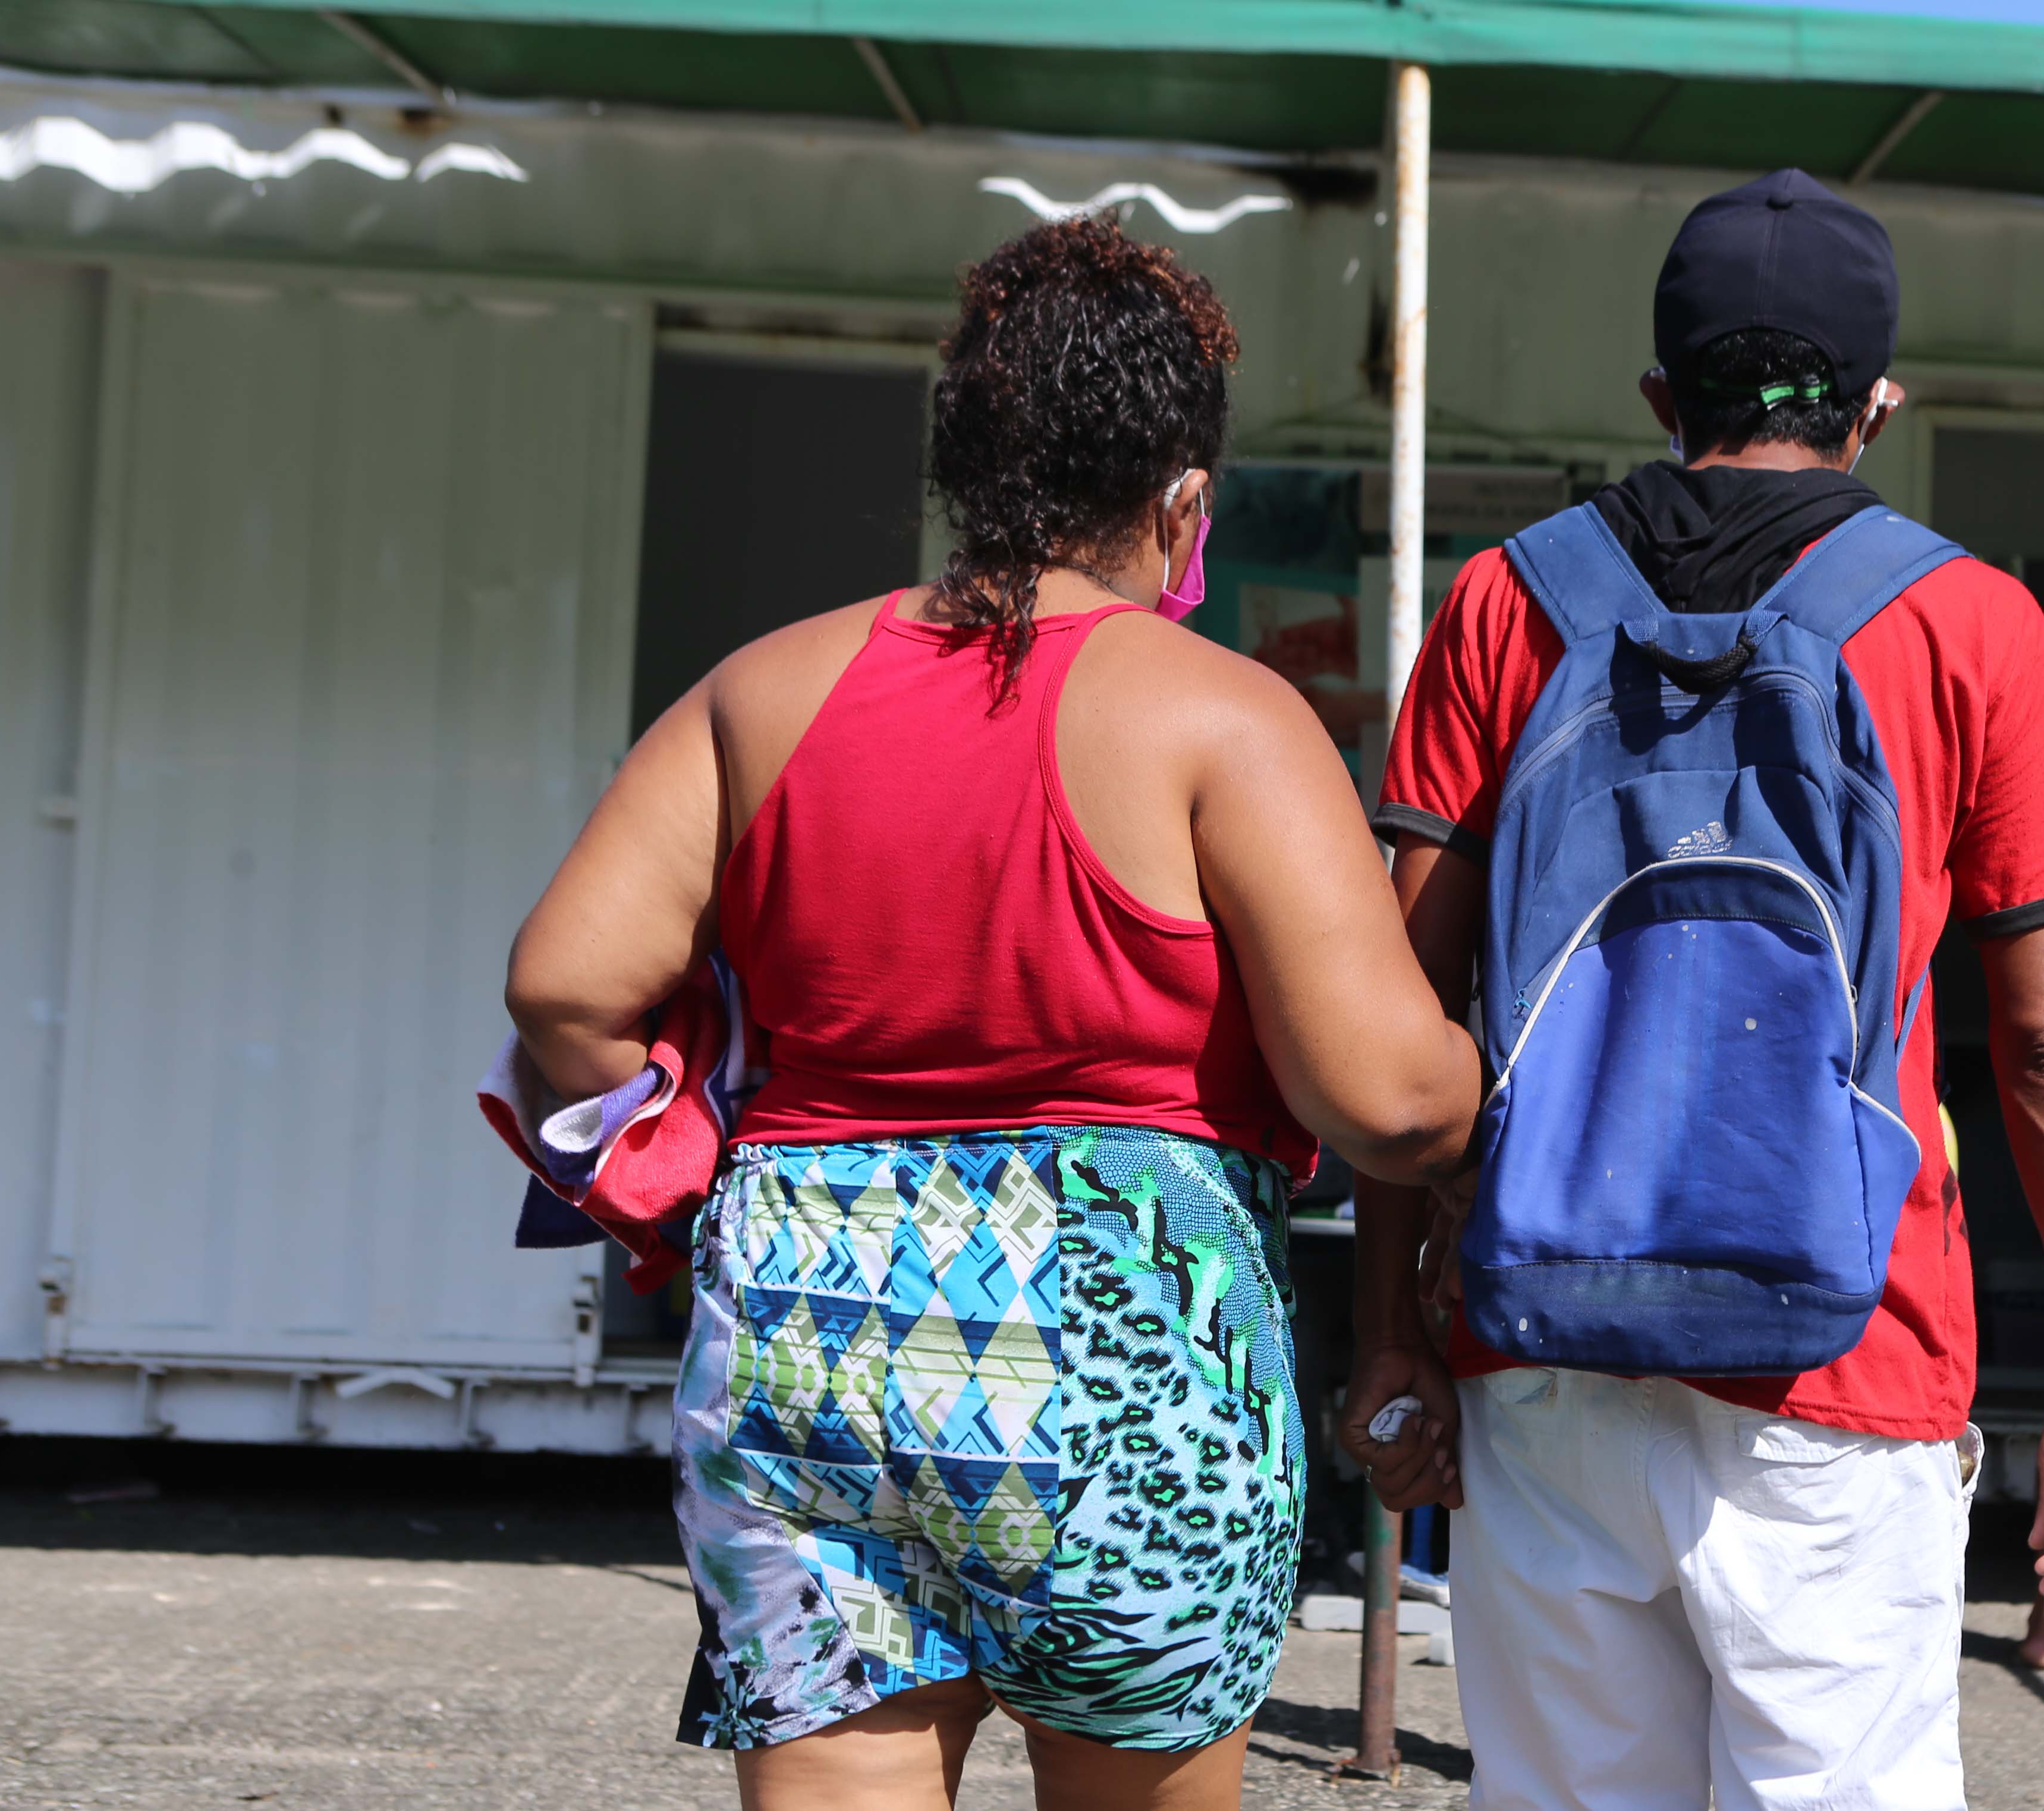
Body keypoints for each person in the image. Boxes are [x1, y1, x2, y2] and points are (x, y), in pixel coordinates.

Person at [502, 216, 1482, 1811]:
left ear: (967, 466)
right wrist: (1475, 1079)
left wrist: (690, 1177)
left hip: (811, 1339)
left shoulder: (763, 692)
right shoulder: (1224, 717)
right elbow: (1384, 1093)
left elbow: (562, 983)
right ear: (1183, 503)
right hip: (1122, 1374)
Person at [1339, 168, 2044, 1809]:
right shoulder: (1975, 622)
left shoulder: (1508, 601)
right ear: (1877, 409)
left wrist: (1388, 1343)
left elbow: (1399, 1017)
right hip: (1851, 1353)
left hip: (1540, 1338)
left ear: (1660, 396)